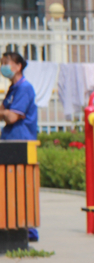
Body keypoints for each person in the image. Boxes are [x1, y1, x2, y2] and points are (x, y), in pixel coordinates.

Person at [1, 51, 39, 241]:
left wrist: (5, 113)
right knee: (9, 187)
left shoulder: (25, 88)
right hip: (10, 140)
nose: (3, 67)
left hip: (22, 141)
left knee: (23, 186)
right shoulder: (12, 89)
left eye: (6, 63)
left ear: (18, 66)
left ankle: (28, 230)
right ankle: (12, 224)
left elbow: (12, 116)